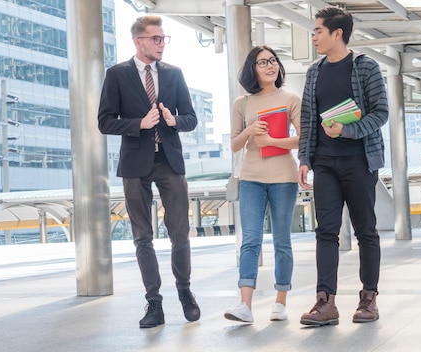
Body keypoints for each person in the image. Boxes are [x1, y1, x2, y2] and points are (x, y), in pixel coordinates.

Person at [98, 15, 200, 329]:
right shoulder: (116, 75)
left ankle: (184, 291)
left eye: (163, 38)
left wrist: (173, 121)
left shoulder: (174, 74)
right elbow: (104, 121)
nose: (161, 44)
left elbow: (191, 118)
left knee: (180, 232)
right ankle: (153, 302)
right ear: (138, 41)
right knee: (143, 236)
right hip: (134, 163)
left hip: (169, 161)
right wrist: (138, 124)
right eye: (155, 39)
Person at [297, 6, 389, 326]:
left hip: (360, 161)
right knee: (325, 231)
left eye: (318, 31)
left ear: (338, 33)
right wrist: (304, 158)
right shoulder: (314, 72)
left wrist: (347, 130)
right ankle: (326, 302)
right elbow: (308, 118)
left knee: (366, 231)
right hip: (324, 163)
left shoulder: (366, 67)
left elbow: (380, 113)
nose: (314, 37)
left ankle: (368, 298)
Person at [224, 46, 301, 323]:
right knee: (251, 241)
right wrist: (249, 131)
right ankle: (245, 305)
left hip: (284, 178)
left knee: (282, 241)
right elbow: (234, 145)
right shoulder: (241, 103)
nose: (270, 66)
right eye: (262, 62)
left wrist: (272, 142)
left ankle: (280, 302)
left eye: (273, 61)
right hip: (251, 179)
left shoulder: (291, 98)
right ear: (252, 69)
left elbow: (303, 139)